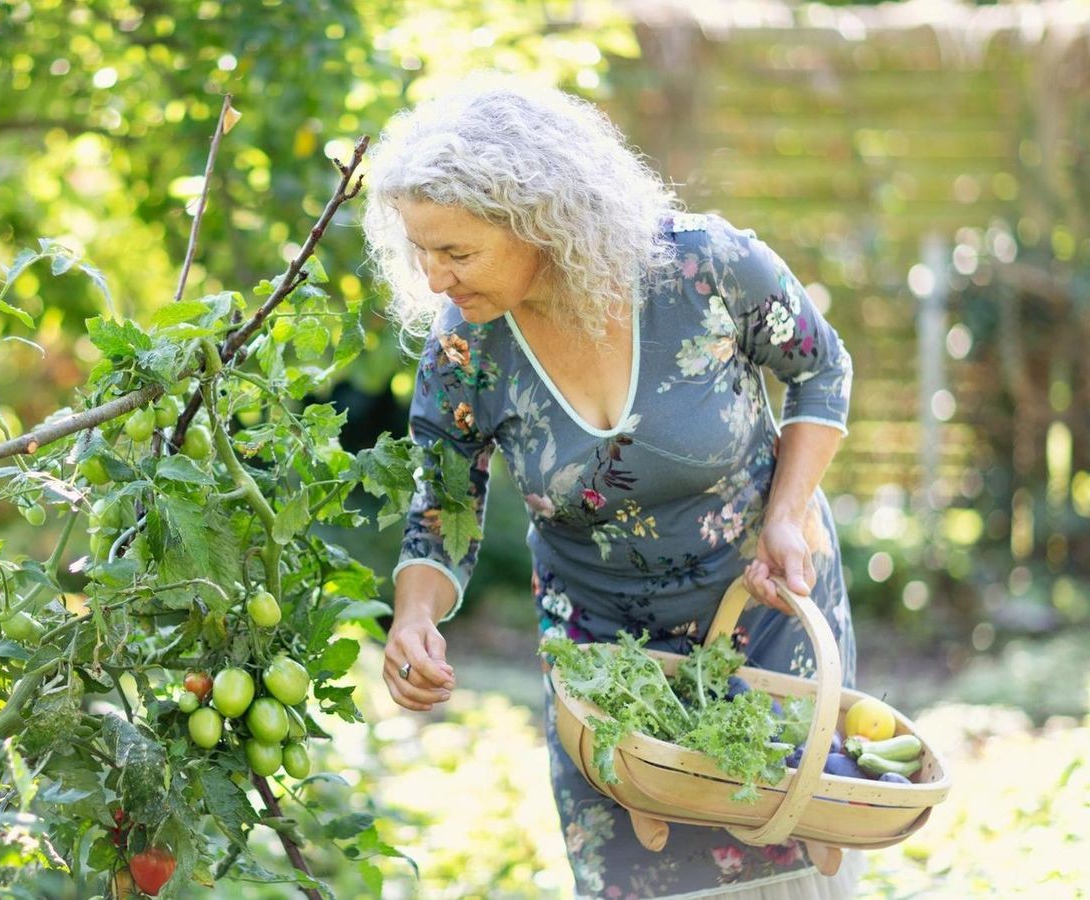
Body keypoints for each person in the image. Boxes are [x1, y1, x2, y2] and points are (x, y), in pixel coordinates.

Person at [362, 75, 865, 898]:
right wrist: (414, 616)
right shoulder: (465, 351)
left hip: (766, 618)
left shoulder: (704, 269)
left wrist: (788, 513)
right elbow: (443, 503)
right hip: (607, 668)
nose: (434, 281)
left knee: (790, 866)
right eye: (421, 252)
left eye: (456, 252)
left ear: (542, 222)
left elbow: (822, 370)